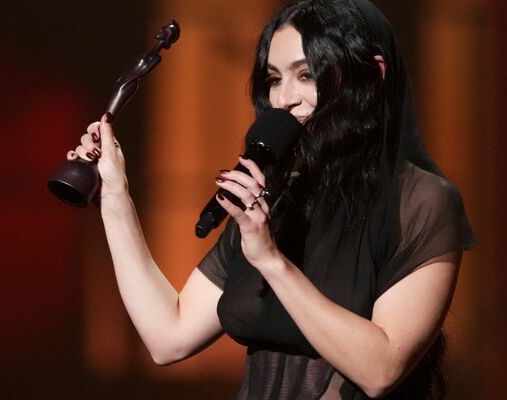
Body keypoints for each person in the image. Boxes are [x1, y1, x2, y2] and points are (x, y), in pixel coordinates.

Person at [68, 0, 475, 398]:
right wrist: (115, 196)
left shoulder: (422, 201)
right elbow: (167, 337)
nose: (284, 99)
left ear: (373, 74)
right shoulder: (276, 199)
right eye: (275, 79)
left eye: (306, 75)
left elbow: (381, 370)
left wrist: (271, 261)